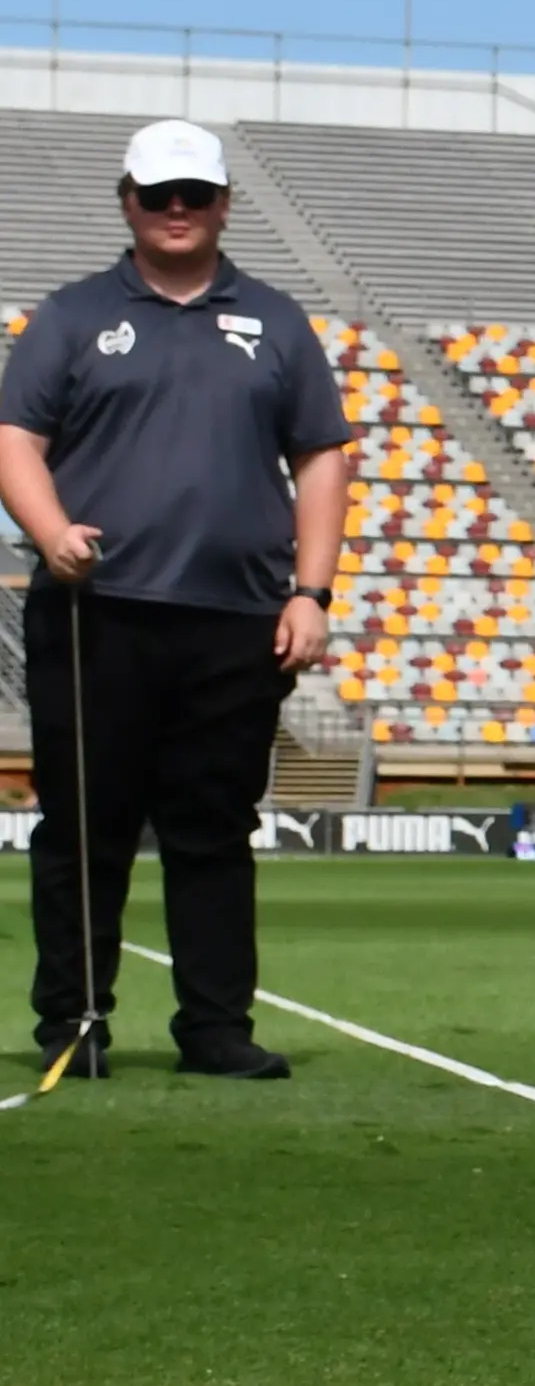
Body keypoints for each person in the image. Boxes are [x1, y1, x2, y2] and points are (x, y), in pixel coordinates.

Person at [0, 119, 350, 1079]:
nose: (178, 210)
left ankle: (214, 1027)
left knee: (212, 829)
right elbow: (14, 438)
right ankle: (74, 1021)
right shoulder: (71, 317)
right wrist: (51, 530)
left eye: (195, 192)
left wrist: (312, 591)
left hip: (237, 619)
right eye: (159, 195)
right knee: (83, 827)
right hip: (95, 610)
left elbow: (322, 455)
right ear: (128, 202)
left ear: (226, 203)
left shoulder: (277, 322)